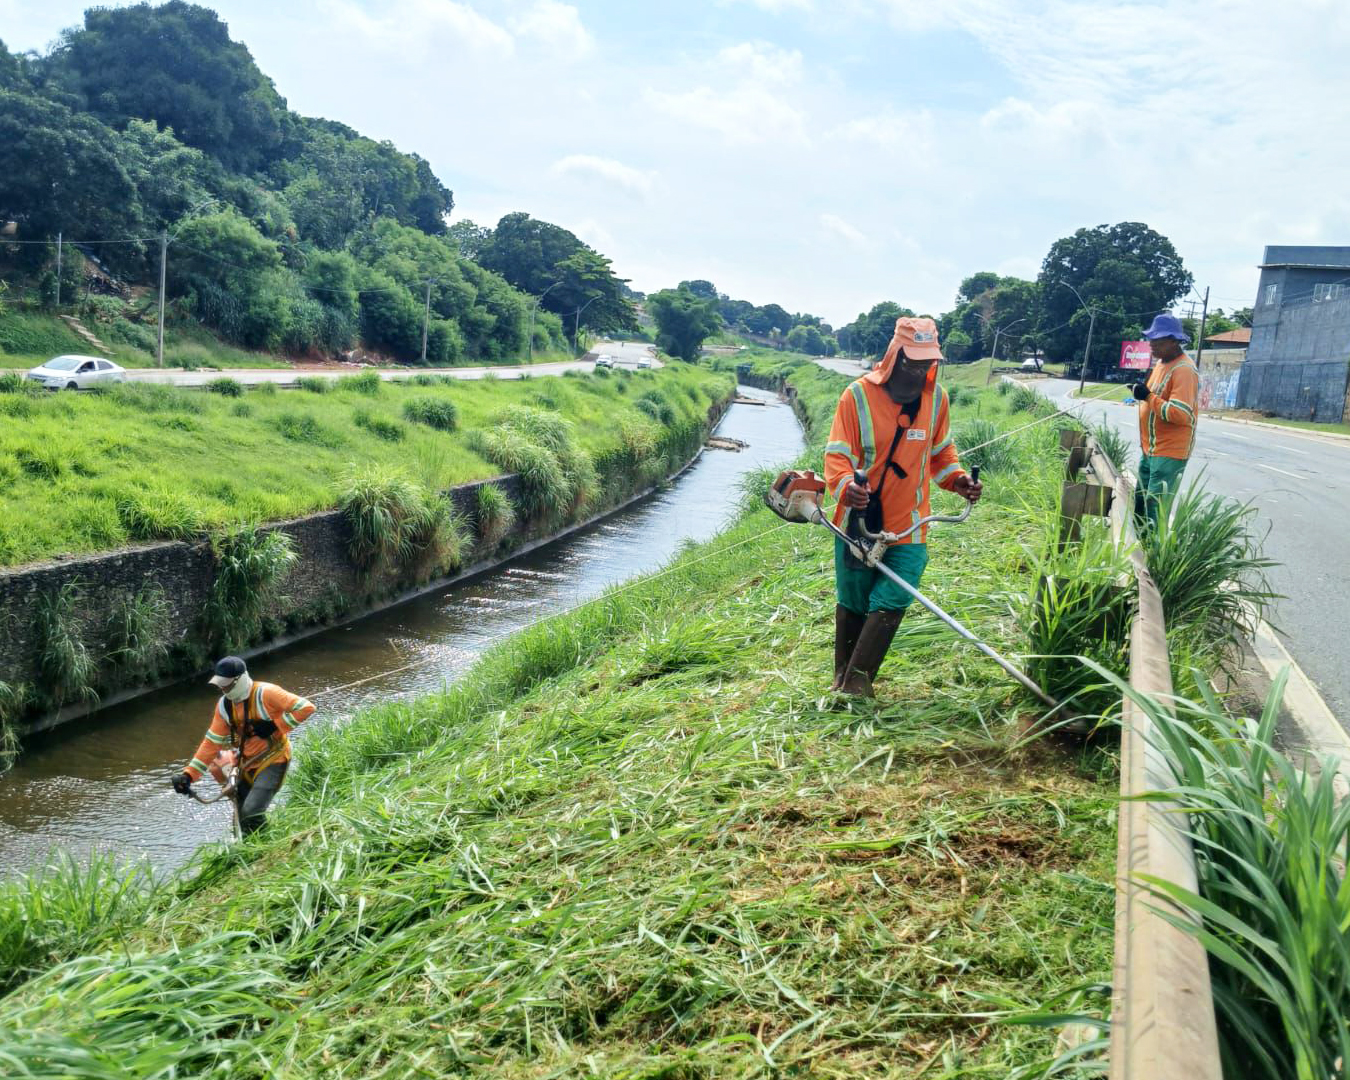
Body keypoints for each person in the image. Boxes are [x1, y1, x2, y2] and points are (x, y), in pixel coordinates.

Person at [823, 316, 982, 697]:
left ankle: (858, 683)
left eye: (927, 364)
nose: (919, 371)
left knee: (895, 595)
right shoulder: (857, 396)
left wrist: (958, 480)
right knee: (855, 598)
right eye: (912, 362)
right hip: (857, 521)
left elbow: (941, 453)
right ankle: (841, 676)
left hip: (909, 525)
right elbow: (837, 456)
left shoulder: (937, 401)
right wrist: (847, 488)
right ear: (894, 356)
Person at [171, 656, 315, 835]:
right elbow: (211, 743)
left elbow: (306, 707)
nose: (223, 688)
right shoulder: (224, 706)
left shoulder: (267, 693)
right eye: (220, 685)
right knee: (240, 819)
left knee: (252, 812)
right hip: (245, 764)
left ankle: (271, 848)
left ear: (240, 679)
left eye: (226, 684)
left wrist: (275, 725)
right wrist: (188, 775)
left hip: (274, 758)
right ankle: (255, 852)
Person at [1132, 313, 1199, 529]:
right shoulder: (1161, 364)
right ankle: (1137, 548)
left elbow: (1180, 414)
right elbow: (1153, 397)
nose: (1152, 346)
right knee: (1141, 499)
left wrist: (1148, 397)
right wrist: (1143, 393)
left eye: (1158, 341)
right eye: (1151, 340)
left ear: (1173, 342)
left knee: (1155, 505)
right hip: (1150, 448)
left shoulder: (1184, 370)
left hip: (1169, 452)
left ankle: (1152, 554)